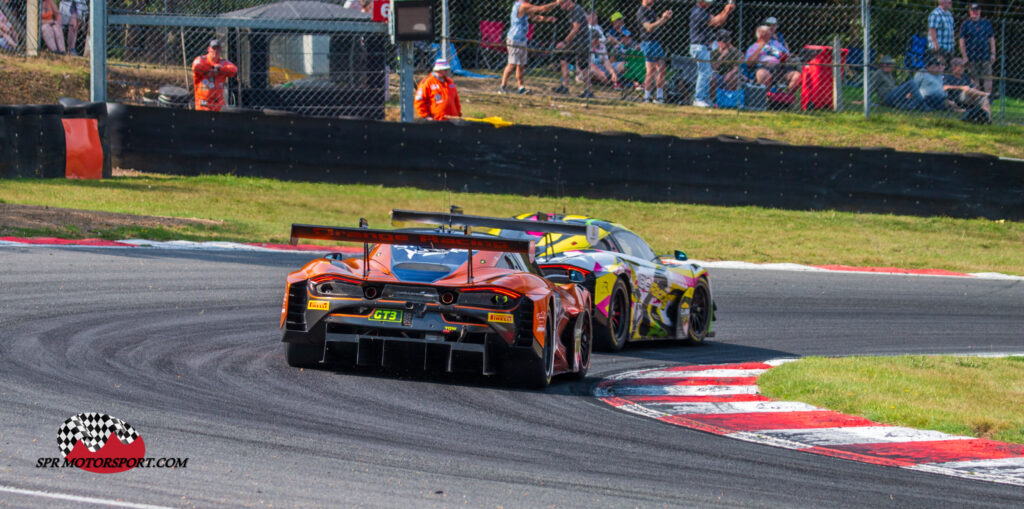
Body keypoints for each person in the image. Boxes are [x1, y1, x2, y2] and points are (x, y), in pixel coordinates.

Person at [499, 0, 561, 95]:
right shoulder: (523, 5)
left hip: (522, 39)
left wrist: (547, 19)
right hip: (514, 39)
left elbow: (534, 17)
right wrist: (556, 3)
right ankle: (502, 86)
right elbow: (542, 9)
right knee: (512, 64)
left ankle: (521, 88)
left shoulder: (526, 7)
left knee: (521, 65)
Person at [689, 0, 735, 107]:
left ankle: (704, 98)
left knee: (707, 73)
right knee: (704, 72)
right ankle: (698, 98)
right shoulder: (698, 12)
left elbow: (719, 22)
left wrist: (727, 11)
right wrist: (726, 9)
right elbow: (715, 21)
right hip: (699, 47)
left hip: (704, 47)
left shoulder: (704, 11)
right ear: (700, 2)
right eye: (707, 2)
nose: (709, 3)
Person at [551, 0, 592, 98]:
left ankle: (588, 90)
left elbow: (576, 28)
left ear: (568, 1)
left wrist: (565, 42)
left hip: (582, 42)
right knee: (564, 58)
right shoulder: (571, 11)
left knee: (583, 66)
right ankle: (565, 86)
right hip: (575, 41)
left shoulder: (577, 10)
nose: (560, 6)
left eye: (562, 4)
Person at [745, 25, 800, 92]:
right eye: (765, 33)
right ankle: (767, 97)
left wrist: (783, 57)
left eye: (768, 33)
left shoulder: (776, 43)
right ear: (759, 34)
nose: (768, 35)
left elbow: (787, 55)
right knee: (762, 74)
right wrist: (760, 48)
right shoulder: (753, 47)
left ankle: (787, 96)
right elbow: (749, 63)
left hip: (780, 68)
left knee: (797, 75)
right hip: (764, 68)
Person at [637, 0, 672, 104]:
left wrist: (665, 18)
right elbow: (649, 28)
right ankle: (647, 97)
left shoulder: (651, 10)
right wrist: (663, 19)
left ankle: (659, 96)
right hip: (648, 43)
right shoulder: (641, 11)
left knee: (662, 69)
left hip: (656, 42)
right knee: (651, 70)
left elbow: (658, 22)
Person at [191, 39, 238, 112]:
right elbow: (196, 66)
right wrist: (211, 68)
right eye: (213, 48)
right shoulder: (202, 59)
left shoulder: (223, 62)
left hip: (218, 103)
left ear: (220, 50)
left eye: (218, 49)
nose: (216, 51)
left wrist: (220, 69)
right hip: (203, 102)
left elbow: (234, 70)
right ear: (209, 49)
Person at [959, 3, 996, 94]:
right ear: (969, 11)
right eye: (972, 10)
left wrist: (993, 53)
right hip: (971, 55)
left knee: (987, 77)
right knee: (974, 78)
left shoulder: (986, 23)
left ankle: (988, 96)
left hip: (985, 55)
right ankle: (977, 98)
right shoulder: (965, 24)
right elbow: (961, 40)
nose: (975, 12)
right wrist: (964, 56)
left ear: (980, 11)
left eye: (977, 10)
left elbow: (991, 39)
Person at [710, 29, 743, 103]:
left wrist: (730, 74)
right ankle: (713, 101)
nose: (727, 42)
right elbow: (713, 67)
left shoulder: (733, 52)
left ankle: (728, 100)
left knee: (734, 78)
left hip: (728, 76)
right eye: (724, 41)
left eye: (728, 40)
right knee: (711, 79)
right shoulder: (713, 53)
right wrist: (722, 56)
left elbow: (737, 65)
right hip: (717, 75)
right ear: (719, 42)